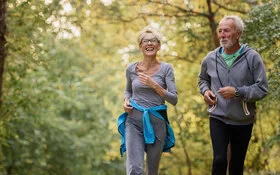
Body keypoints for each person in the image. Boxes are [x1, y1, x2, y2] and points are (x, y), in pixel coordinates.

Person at [198, 15, 268, 175]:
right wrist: (205, 91)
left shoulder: (252, 57)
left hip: (243, 120)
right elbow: (202, 79)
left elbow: (262, 88)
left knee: (236, 165)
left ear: (238, 34)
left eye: (226, 31)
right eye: (220, 31)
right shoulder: (210, 58)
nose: (222, 35)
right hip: (217, 116)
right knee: (219, 160)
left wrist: (237, 92)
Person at [117, 26, 178, 175]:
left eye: (153, 41)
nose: (149, 43)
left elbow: (174, 99)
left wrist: (155, 85)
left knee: (152, 171)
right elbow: (128, 90)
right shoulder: (131, 69)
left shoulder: (166, 69)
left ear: (159, 46)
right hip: (133, 121)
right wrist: (126, 100)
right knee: (135, 169)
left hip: (157, 123)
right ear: (140, 46)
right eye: (145, 41)